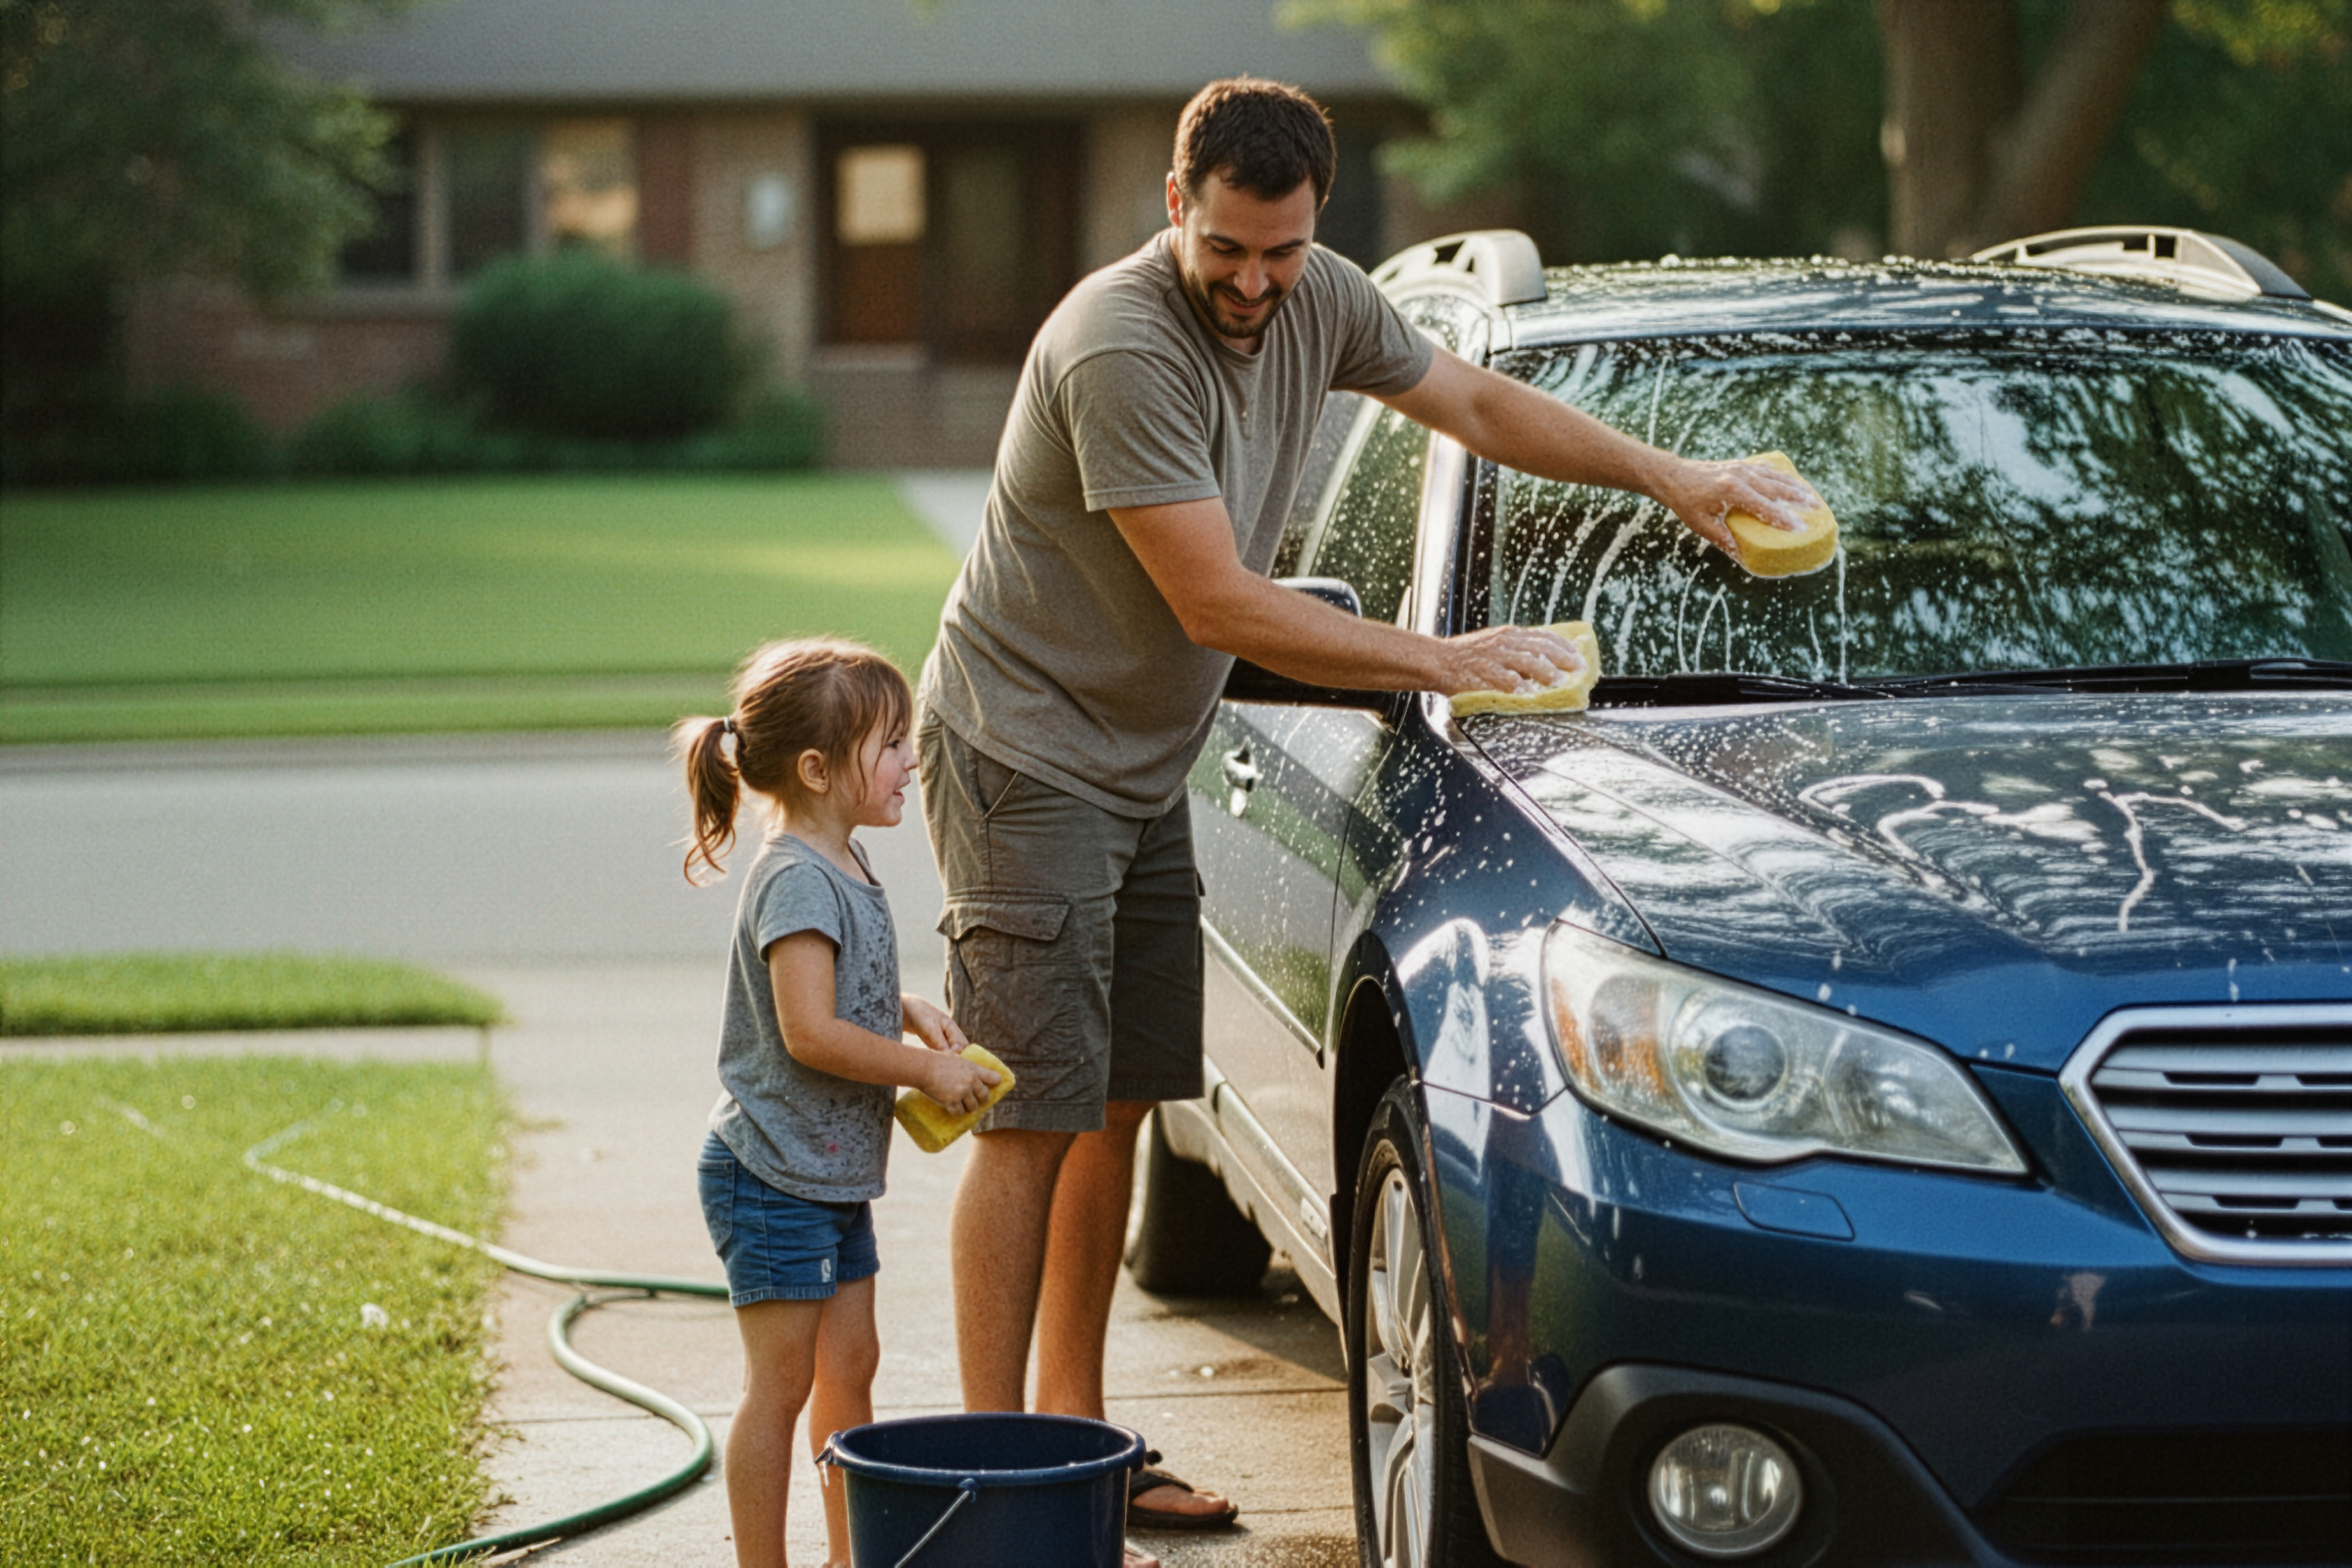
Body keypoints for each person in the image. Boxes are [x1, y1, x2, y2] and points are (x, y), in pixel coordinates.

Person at [915, 78, 1816, 1563]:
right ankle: (991, 1487)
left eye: (1281, 252)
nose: (1257, 286)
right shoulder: (1118, 344)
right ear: (1174, 208)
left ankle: (1075, 1442)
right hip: (1027, 757)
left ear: (1317, 220)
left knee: (1118, 1105)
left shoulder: (1321, 299)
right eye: (1228, 253)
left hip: (1137, 762)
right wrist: (1446, 659)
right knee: (1030, 1117)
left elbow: (1471, 401)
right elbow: (1214, 601)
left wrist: (1678, 478)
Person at [679, 638, 1001, 1568]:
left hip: (827, 1175)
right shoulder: (794, 879)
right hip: (771, 1175)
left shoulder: (844, 859)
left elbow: (838, 981)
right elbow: (808, 1031)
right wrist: (921, 1070)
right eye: (892, 745)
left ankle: (846, 1554)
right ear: (819, 770)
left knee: (848, 1365)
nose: (912, 760)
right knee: (778, 1387)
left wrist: (906, 1007)